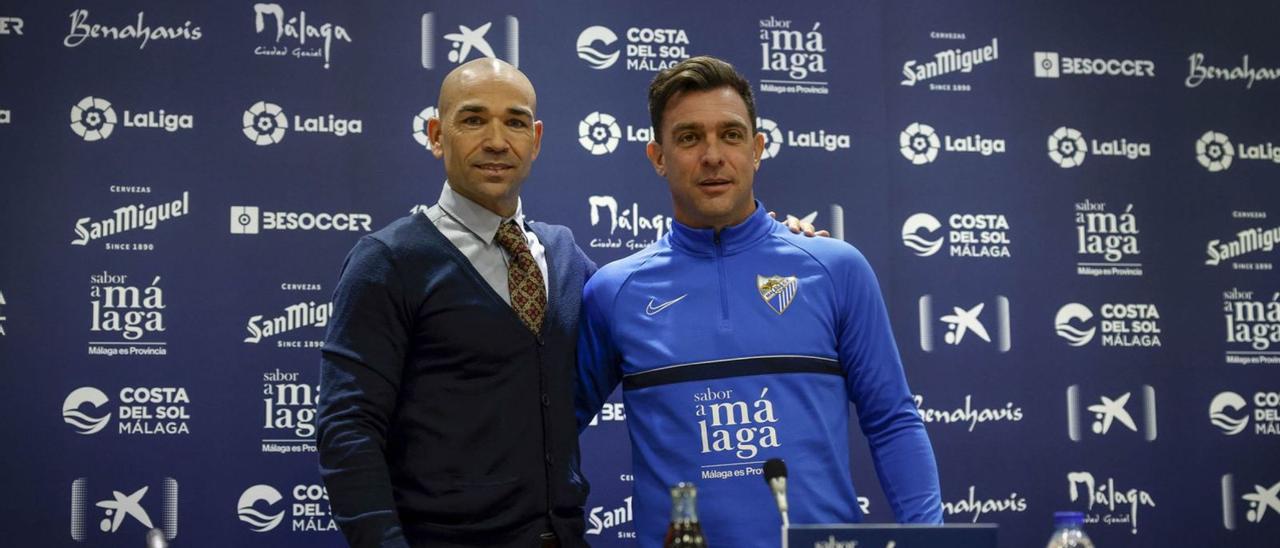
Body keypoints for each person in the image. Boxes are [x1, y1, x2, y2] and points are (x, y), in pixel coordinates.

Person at [575, 56, 943, 548]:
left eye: (730, 135)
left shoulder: (835, 269)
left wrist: (931, 540)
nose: (712, 155)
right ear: (657, 156)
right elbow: (548, 433)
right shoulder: (613, 293)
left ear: (757, 149)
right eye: (688, 138)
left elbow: (892, 420)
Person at [317, 59, 593, 548]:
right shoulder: (389, 260)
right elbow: (348, 428)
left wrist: (769, 247)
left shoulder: (565, 256)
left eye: (515, 122)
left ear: (537, 139)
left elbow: (653, 312)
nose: (496, 141)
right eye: (472, 120)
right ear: (436, 135)